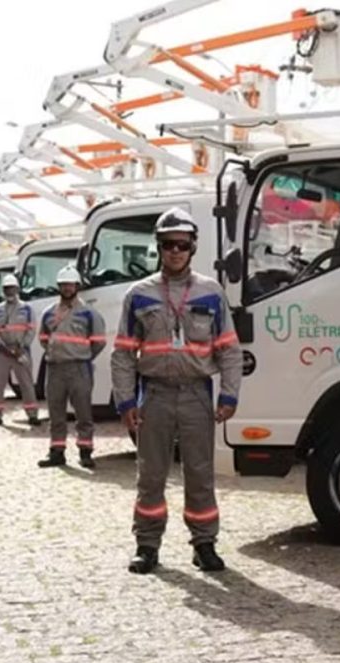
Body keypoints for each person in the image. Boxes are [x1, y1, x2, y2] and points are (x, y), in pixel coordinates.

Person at [112, 207, 243, 575]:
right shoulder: (138, 294)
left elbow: (230, 349)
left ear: (193, 247)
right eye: (168, 244)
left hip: (196, 395)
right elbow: (123, 353)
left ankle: (204, 544)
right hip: (153, 395)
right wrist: (126, 401)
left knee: (200, 473)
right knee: (151, 474)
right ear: (158, 247)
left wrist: (229, 395)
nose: (175, 251)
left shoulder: (211, 292)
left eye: (182, 244)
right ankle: (147, 545)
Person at [37, 265, 106, 469]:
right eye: (63, 284)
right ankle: (57, 452)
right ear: (58, 286)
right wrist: (55, 352)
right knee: (56, 413)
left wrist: (83, 355)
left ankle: (85, 452)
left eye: (70, 284)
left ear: (77, 286)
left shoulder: (89, 313)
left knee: (83, 413)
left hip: (79, 368)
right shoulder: (49, 313)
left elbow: (99, 341)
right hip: (55, 369)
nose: (67, 288)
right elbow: (43, 338)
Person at [0, 274, 40, 427]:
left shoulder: (27, 309)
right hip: (3, 352)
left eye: (12, 288)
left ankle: (32, 415)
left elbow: (31, 330)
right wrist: (1, 345)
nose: (9, 291)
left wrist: (22, 346)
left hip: (21, 351)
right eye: (6, 288)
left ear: (17, 289)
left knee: (27, 384)